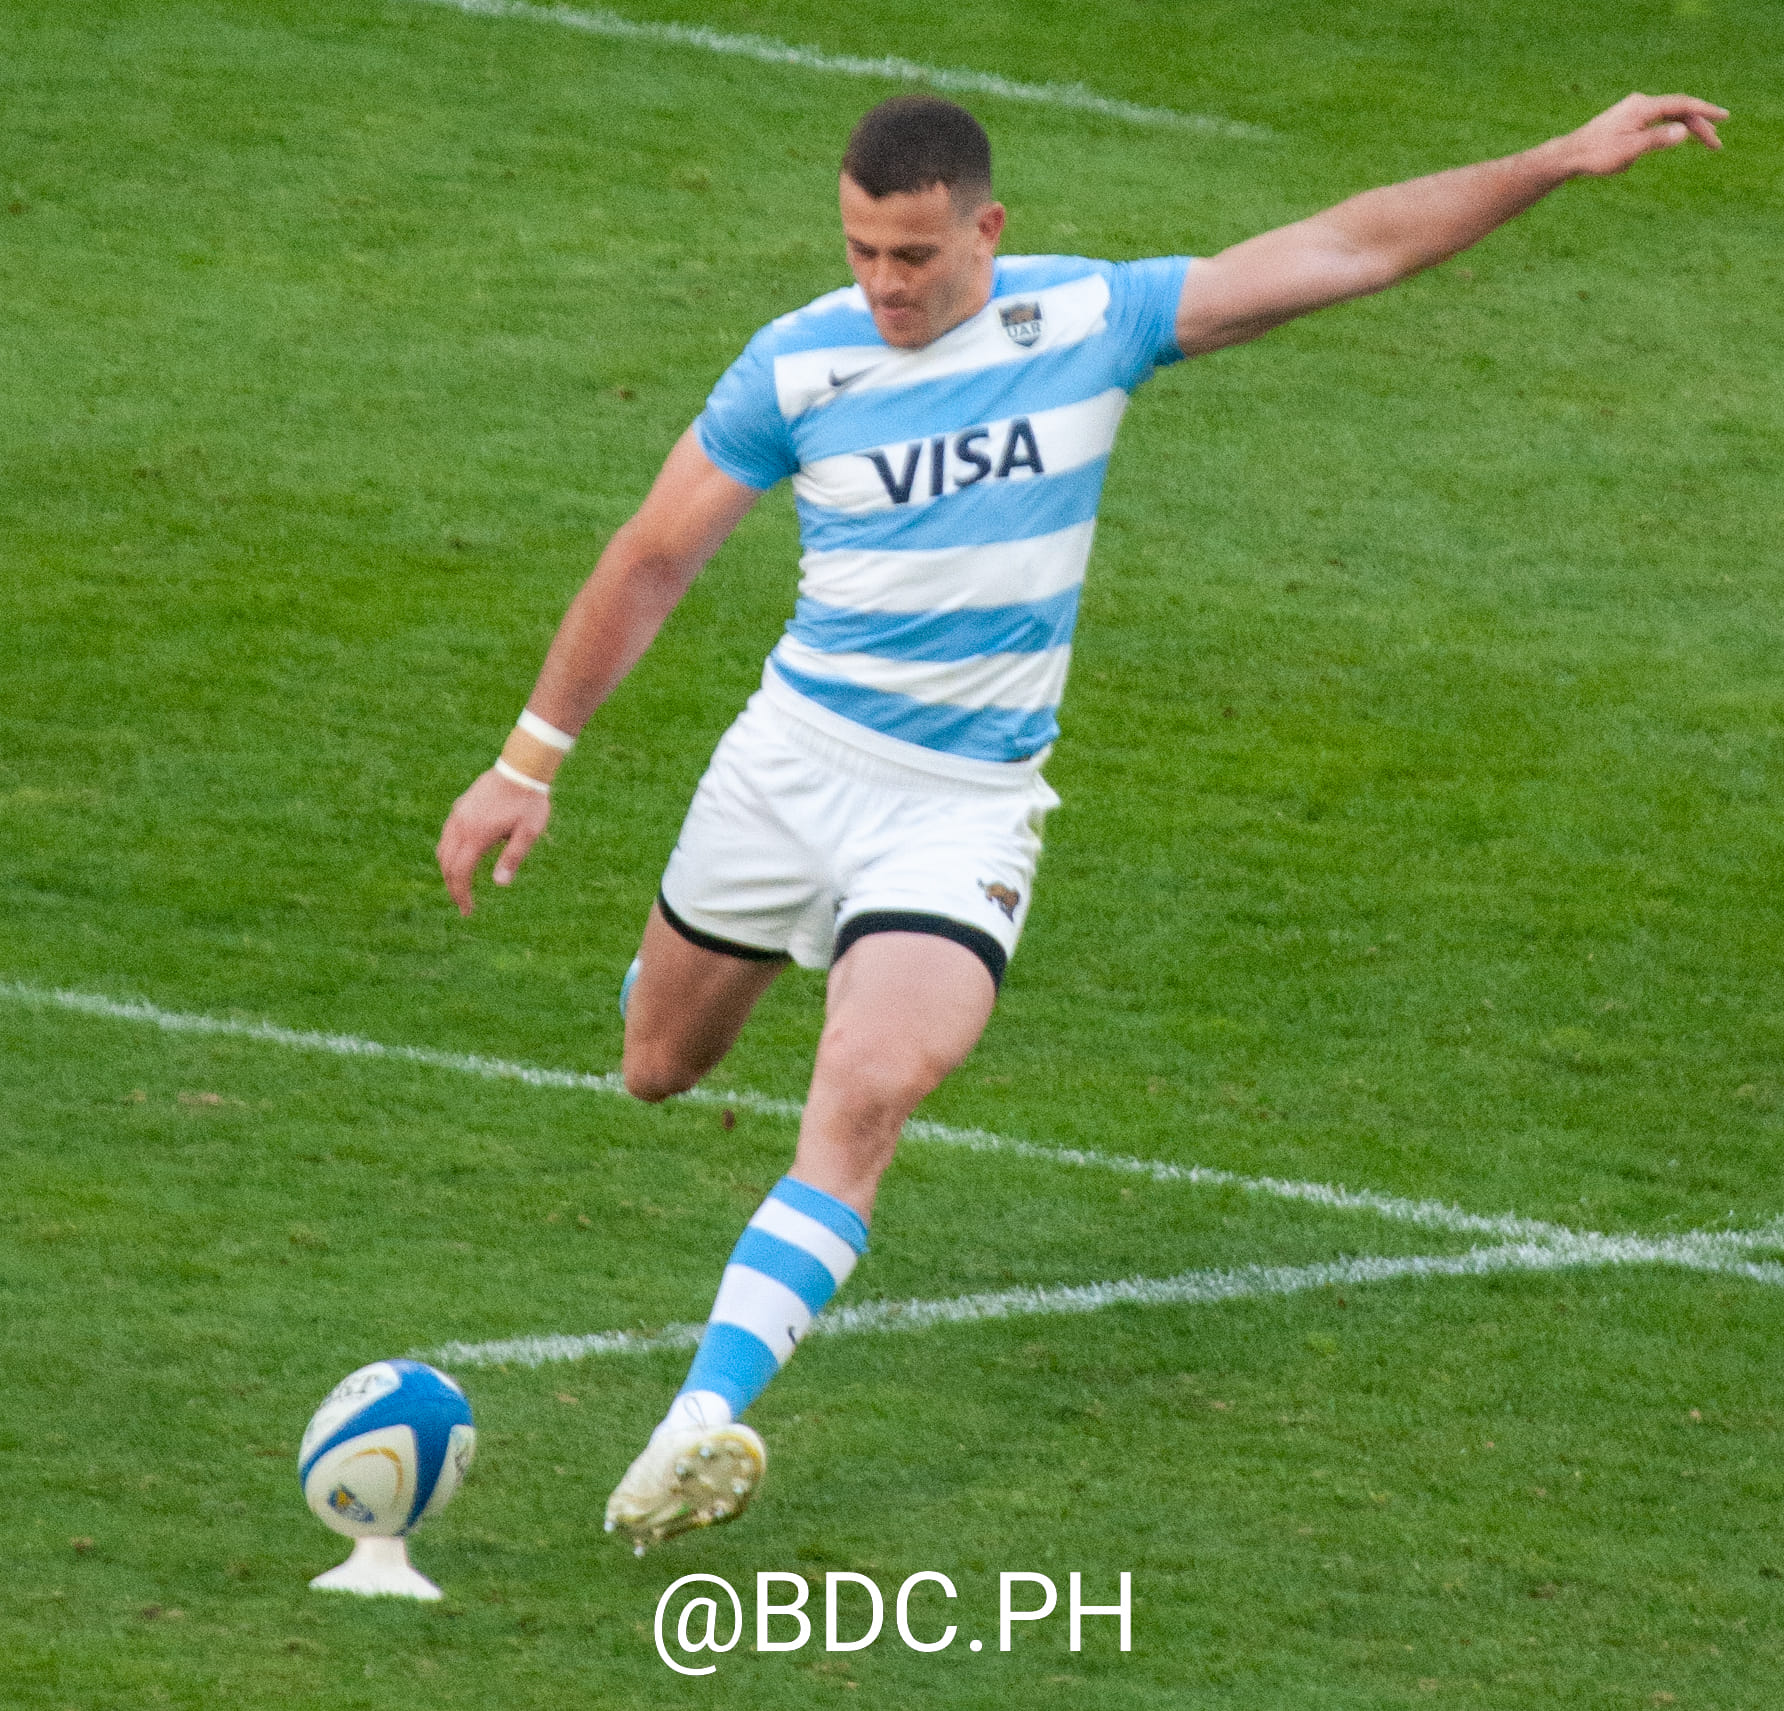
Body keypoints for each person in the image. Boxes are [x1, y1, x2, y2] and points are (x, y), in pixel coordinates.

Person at [436, 89, 1724, 1552]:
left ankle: (696, 1422)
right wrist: (527, 763)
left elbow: (1347, 247)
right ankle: (698, 965)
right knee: (659, 1066)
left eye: (914, 255)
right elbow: (657, 553)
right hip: (788, 772)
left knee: (864, 1093)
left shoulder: (1092, 323)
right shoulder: (797, 367)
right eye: (861, 250)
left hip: (963, 813)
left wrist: (1552, 158)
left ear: (988, 230)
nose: (885, 285)